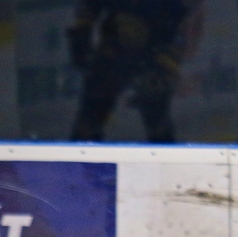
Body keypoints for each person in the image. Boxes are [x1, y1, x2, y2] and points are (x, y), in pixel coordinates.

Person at [67, 0, 199, 142]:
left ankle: (163, 151)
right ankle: (82, 151)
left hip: (153, 57)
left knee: (156, 109)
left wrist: (165, 69)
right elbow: (88, 7)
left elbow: (179, 32)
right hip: (112, 54)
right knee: (91, 112)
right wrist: (82, 33)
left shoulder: (172, 7)